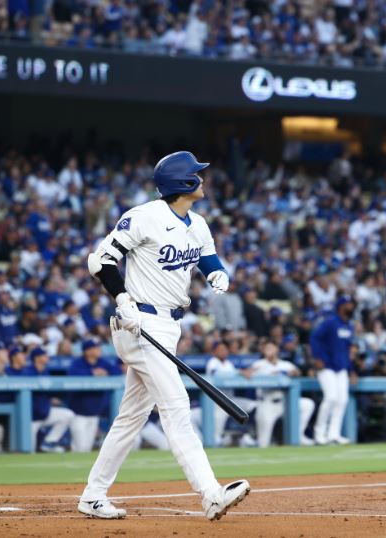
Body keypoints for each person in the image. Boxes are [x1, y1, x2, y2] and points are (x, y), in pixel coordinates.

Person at [79, 151, 250, 520]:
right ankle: (210, 493)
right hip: (138, 322)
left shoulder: (198, 223)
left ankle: (93, 495)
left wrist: (217, 274)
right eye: (196, 175)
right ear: (183, 183)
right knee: (176, 407)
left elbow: (208, 259)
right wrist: (122, 300)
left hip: (168, 326)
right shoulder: (143, 217)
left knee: (131, 417)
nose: (203, 179)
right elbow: (100, 261)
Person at [247, 340, 315, 447]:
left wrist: (287, 373)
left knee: (307, 404)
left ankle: (298, 434)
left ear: (277, 349)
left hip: (285, 403)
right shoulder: (259, 364)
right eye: (266, 349)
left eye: (271, 348)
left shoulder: (285, 364)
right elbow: (247, 373)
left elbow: (297, 372)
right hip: (267, 403)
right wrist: (264, 374)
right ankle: (252, 442)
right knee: (263, 442)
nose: (269, 351)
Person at [309, 295, 356, 444]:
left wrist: (351, 369)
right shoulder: (330, 322)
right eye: (348, 304)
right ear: (340, 306)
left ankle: (333, 434)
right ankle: (319, 434)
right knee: (331, 398)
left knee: (342, 400)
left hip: (341, 367)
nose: (351, 307)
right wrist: (318, 357)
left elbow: (347, 349)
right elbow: (314, 337)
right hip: (327, 366)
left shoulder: (349, 325)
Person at [68, 339, 121, 452]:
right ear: (87, 351)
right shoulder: (78, 363)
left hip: (95, 413)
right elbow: (71, 375)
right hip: (79, 414)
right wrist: (92, 373)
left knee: (87, 448)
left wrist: (106, 373)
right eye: (95, 348)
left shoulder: (102, 362)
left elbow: (116, 372)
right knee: (79, 448)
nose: (98, 350)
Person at [204, 341, 256, 447]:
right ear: (214, 352)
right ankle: (218, 442)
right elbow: (217, 374)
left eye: (225, 349)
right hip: (217, 403)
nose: (223, 352)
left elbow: (236, 376)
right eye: (220, 349)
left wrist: (246, 373)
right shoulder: (212, 362)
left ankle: (247, 433)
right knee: (216, 436)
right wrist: (239, 372)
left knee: (253, 405)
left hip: (231, 400)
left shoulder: (229, 364)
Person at [23, 347, 74, 453]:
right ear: (37, 358)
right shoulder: (27, 371)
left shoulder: (45, 371)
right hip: (30, 418)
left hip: (45, 413)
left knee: (68, 414)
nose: (47, 357)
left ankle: (49, 442)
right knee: (29, 452)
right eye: (44, 355)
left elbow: (46, 390)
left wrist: (51, 398)